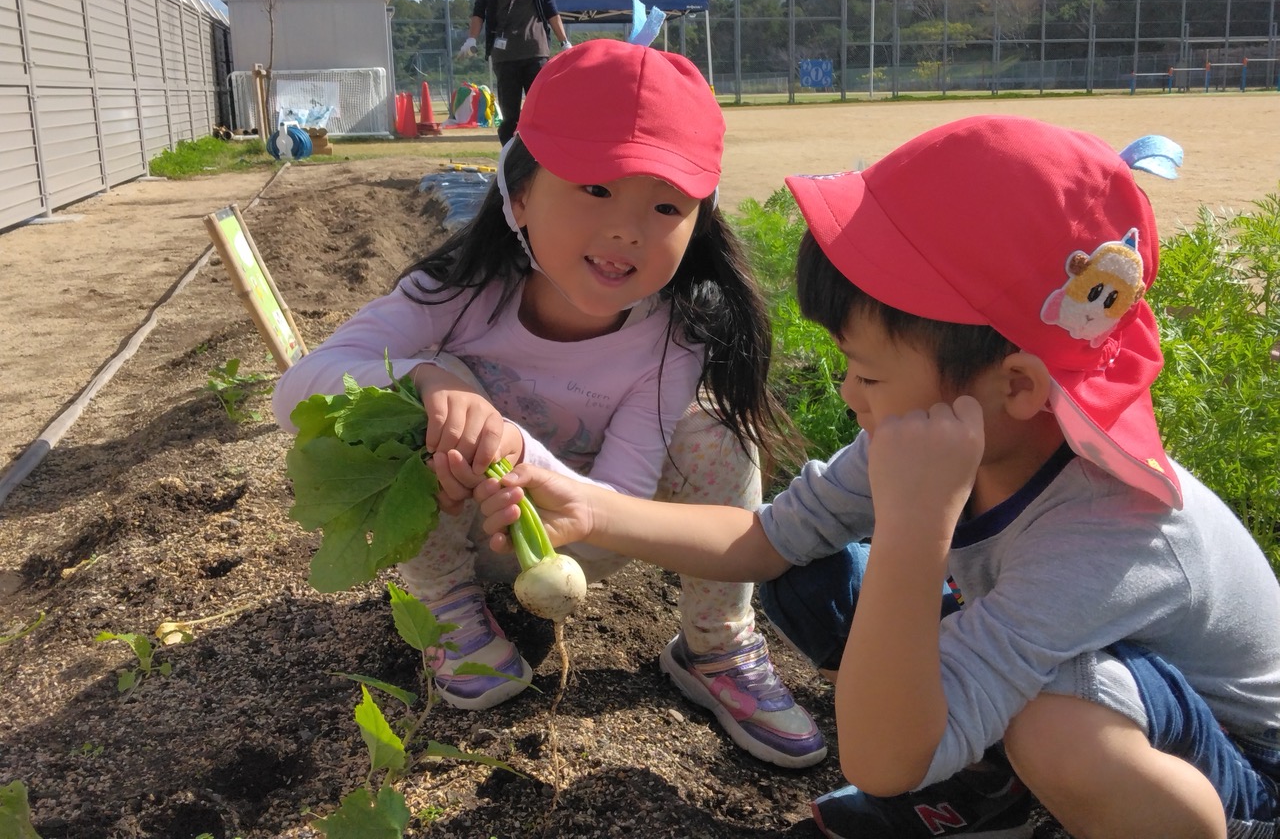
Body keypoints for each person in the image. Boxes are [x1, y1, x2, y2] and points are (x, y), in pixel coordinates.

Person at [468, 114, 1280, 839]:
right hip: (1080, 676)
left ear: (1020, 386)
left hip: (1237, 775)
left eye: (869, 374)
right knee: (807, 576)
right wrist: (595, 510)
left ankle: (1056, 799)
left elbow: (883, 760)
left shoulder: (1113, 531)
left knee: (1054, 722)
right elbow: (764, 539)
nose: (851, 394)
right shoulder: (947, 423)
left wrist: (916, 526)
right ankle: (990, 787)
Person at [272, 39, 827, 770]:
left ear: (698, 224)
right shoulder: (456, 291)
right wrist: (426, 385)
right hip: (454, 527)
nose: (627, 230)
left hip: (574, 537)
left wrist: (522, 461)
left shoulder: (675, 335)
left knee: (717, 436)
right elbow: (295, 392)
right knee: (407, 397)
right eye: (595, 188)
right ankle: (447, 610)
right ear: (520, 193)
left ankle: (716, 646)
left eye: (665, 205)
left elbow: (616, 504)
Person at [458, 0, 571, 146]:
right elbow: (479, 10)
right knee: (510, 117)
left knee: (541, 111)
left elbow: (551, 9)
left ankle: (542, 157)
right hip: (504, 56)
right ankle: (509, 159)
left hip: (535, 52)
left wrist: (564, 41)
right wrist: (471, 38)